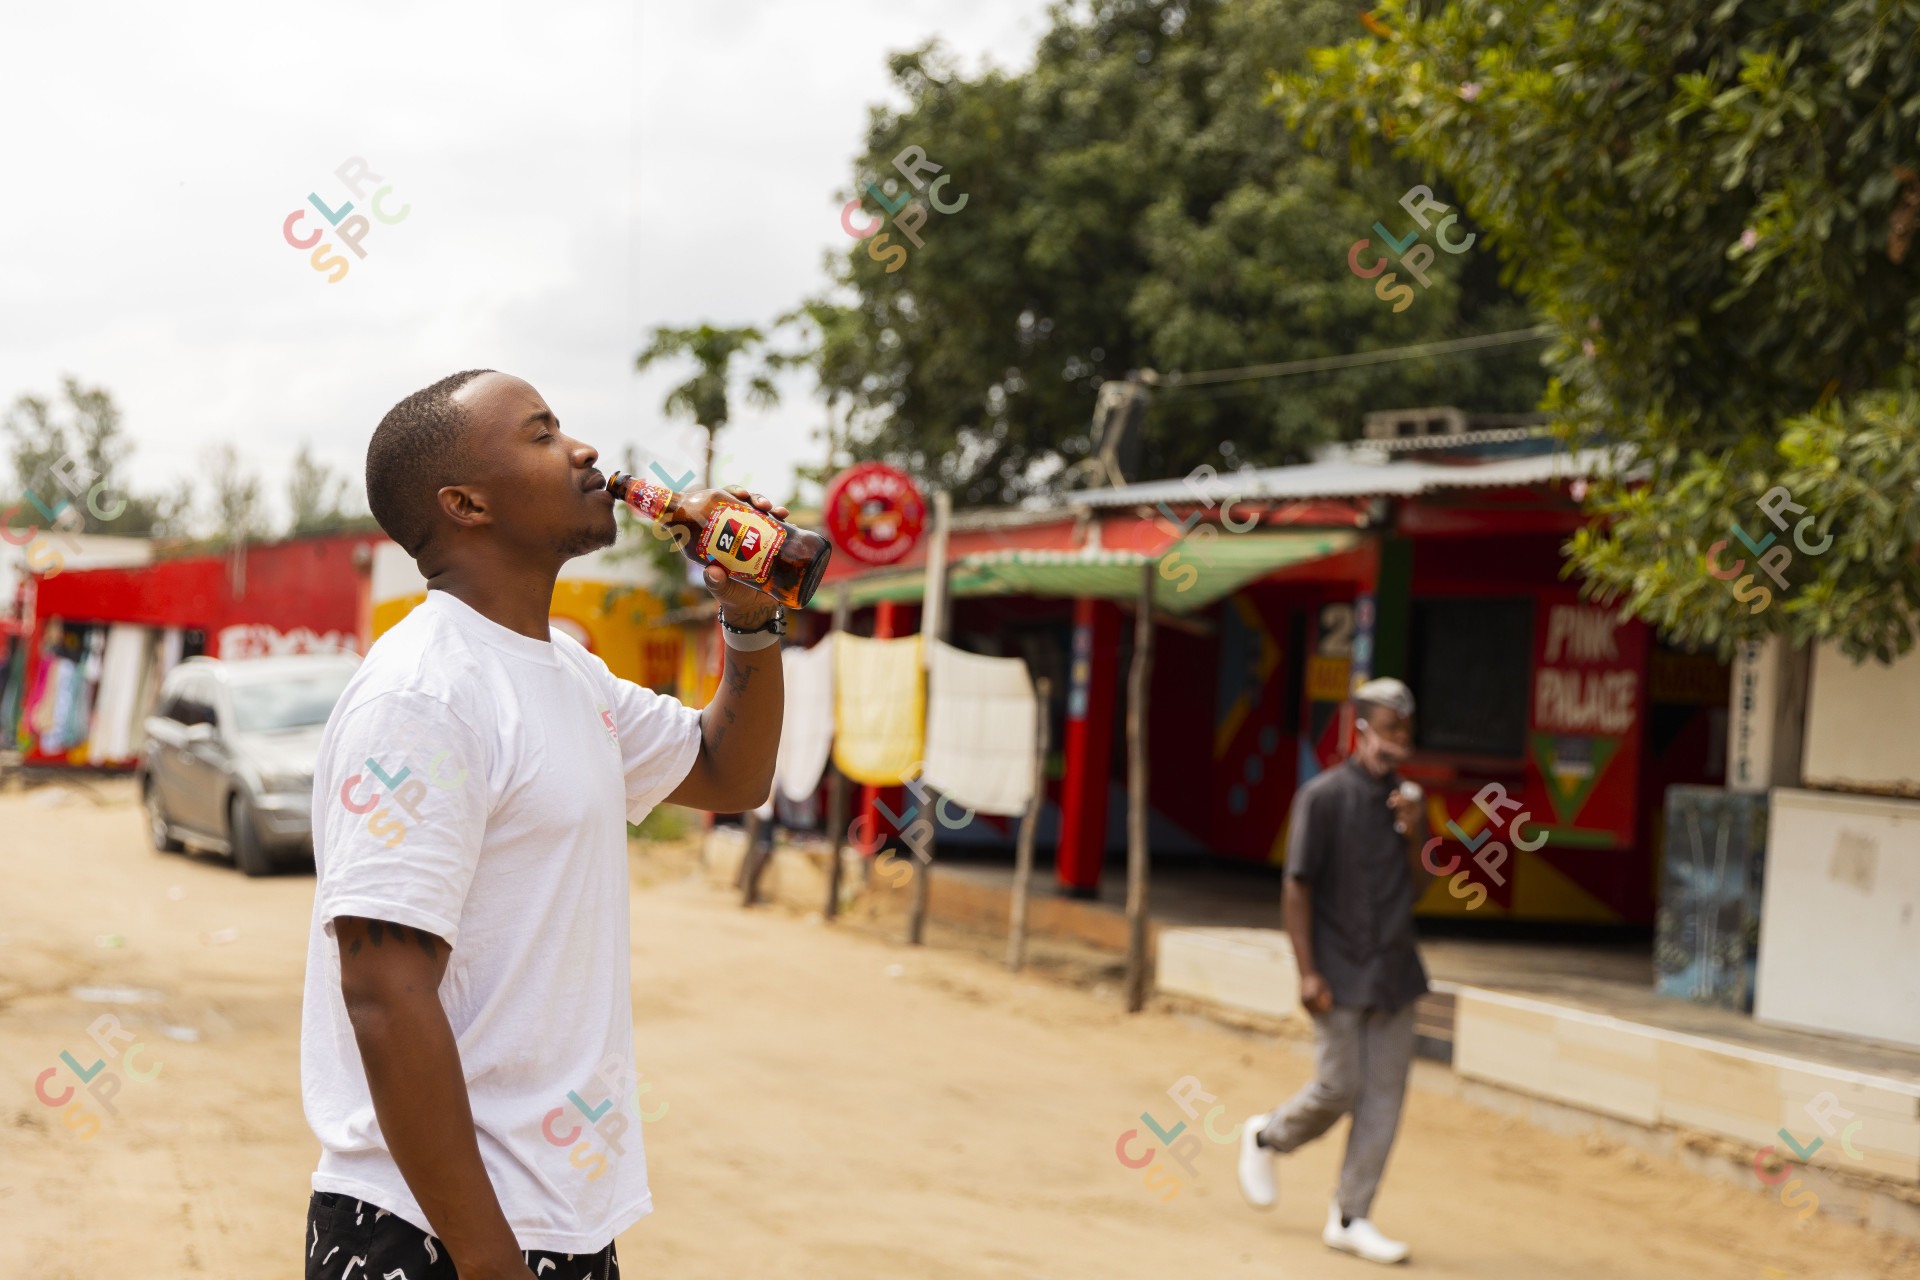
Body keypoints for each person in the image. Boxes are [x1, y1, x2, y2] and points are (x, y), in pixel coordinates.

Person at [300, 369, 787, 1280]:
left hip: (553, 1218)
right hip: (432, 1228)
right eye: (542, 433)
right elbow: (383, 992)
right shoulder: (425, 692)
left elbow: (732, 771)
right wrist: (489, 1262)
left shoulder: (568, 671)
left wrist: (749, 615)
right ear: (466, 503)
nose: (585, 450)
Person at [1237, 677, 1433, 1265]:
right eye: (1387, 731)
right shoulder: (1322, 797)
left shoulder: (1407, 805)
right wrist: (1307, 971)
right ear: (1361, 731)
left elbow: (1421, 887)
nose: (1396, 744)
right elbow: (1296, 886)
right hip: (1338, 970)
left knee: (1384, 1099)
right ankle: (1266, 1135)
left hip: (1396, 970)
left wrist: (1416, 828)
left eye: (1404, 733)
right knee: (1337, 1087)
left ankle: (1351, 1215)